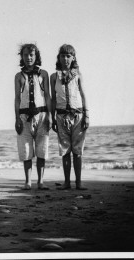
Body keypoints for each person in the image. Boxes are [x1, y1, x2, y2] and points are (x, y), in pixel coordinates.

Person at [50, 44, 89, 190]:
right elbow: (53, 98)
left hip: (78, 115)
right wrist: (52, 117)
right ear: (58, 58)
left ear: (73, 58)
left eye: (68, 56)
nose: (65, 59)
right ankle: (67, 182)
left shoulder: (78, 75)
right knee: (65, 151)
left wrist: (87, 115)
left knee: (77, 151)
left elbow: (83, 95)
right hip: (60, 116)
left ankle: (78, 182)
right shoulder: (54, 77)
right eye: (62, 56)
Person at [14, 43, 52, 190]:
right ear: (22, 57)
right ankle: (28, 181)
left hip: (41, 115)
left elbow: (47, 95)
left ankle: (40, 181)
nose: (28, 58)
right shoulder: (18, 76)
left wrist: (50, 115)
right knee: (26, 150)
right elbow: (17, 98)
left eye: (31, 55)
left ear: (36, 56)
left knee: (42, 149)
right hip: (24, 117)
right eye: (25, 55)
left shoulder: (43, 74)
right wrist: (17, 118)